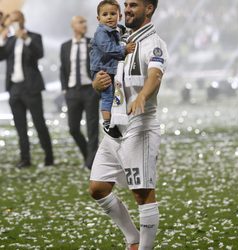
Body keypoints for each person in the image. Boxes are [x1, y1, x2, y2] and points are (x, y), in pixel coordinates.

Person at [89, 0, 168, 249]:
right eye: (126, 4)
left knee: (142, 194)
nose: (127, 10)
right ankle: (132, 238)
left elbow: (155, 75)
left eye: (133, 5)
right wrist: (96, 84)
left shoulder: (154, 43)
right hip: (115, 126)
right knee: (98, 188)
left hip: (140, 126)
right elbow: (108, 74)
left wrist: (143, 96)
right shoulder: (121, 38)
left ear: (149, 9)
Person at [0, 10, 54, 168]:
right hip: (14, 88)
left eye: (17, 19)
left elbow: (39, 53)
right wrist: (2, 39)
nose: (14, 22)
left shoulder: (34, 37)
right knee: (20, 126)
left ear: (23, 20)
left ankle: (49, 157)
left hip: (31, 88)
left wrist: (26, 39)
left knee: (39, 123)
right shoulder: (9, 40)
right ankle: (25, 159)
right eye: (12, 19)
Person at [90, 0, 135, 138]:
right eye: (105, 14)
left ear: (119, 16)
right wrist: (124, 49)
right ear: (99, 19)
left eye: (113, 13)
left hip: (109, 67)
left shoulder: (117, 29)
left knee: (115, 93)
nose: (109, 17)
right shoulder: (101, 33)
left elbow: (121, 31)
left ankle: (115, 119)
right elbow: (108, 49)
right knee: (108, 95)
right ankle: (107, 123)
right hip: (102, 69)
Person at [60, 16, 100, 170]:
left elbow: (99, 65)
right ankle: (88, 155)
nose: (84, 25)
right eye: (80, 22)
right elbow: (63, 69)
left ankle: (91, 162)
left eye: (85, 22)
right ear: (73, 26)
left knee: (92, 129)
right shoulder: (65, 46)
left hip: (90, 90)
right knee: (73, 128)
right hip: (72, 92)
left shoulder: (93, 43)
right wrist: (65, 90)